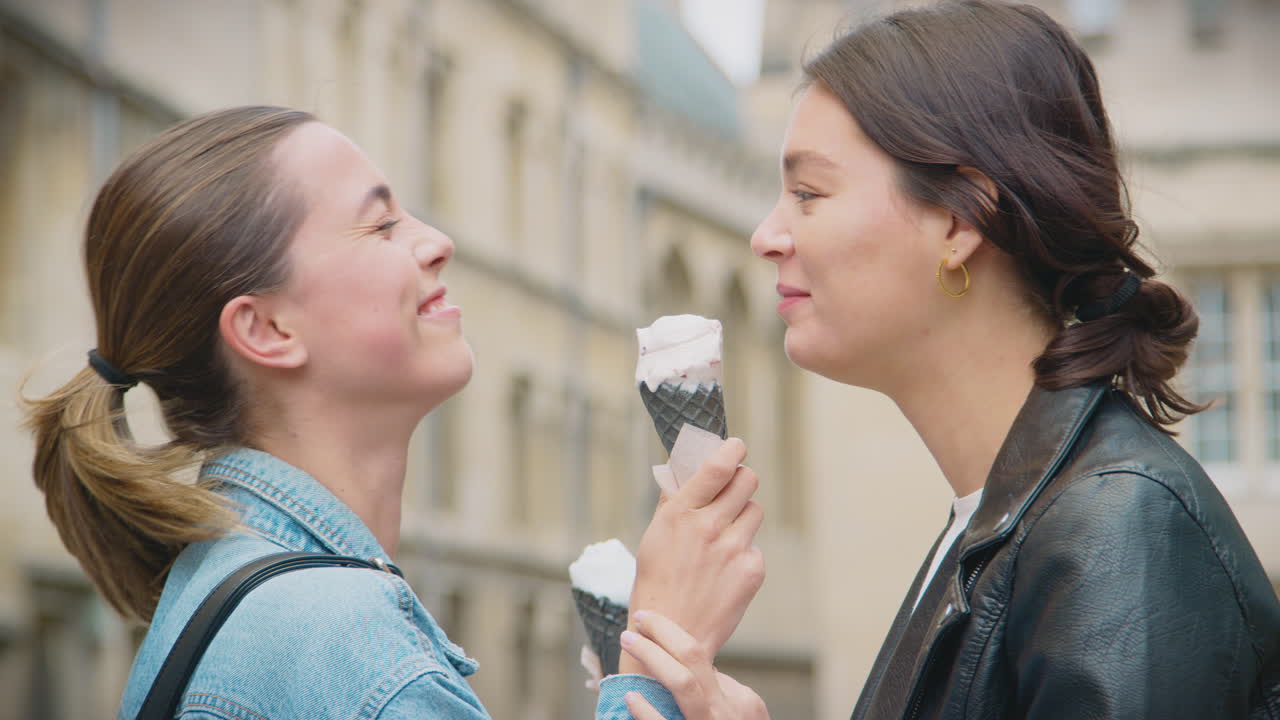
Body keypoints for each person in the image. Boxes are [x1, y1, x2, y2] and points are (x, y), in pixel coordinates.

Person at [619, 2, 1280, 719]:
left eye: (809, 194)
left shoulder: (1117, 527)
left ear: (961, 222)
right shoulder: (999, 522)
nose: (766, 236)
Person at [22, 106, 764, 719]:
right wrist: (662, 648)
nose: (437, 243)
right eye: (381, 227)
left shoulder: (231, 587)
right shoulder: (346, 646)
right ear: (267, 329)